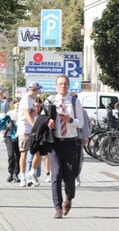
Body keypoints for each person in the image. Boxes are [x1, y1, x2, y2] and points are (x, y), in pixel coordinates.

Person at [47, 75, 83, 218]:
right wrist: (48, 122)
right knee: (55, 175)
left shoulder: (75, 102)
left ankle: (68, 199)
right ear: (56, 86)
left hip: (70, 142)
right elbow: (44, 118)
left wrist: (70, 120)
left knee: (69, 177)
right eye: (60, 84)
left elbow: (81, 123)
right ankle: (57, 208)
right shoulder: (50, 100)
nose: (63, 86)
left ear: (69, 86)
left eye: (65, 84)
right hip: (55, 143)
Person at [18, 81, 41, 187]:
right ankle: (22, 176)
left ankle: (32, 172)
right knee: (24, 153)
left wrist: (37, 110)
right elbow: (27, 115)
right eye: (38, 89)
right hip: (25, 129)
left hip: (32, 129)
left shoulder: (34, 100)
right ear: (34, 90)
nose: (39, 91)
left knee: (38, 151)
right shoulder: (26, 99)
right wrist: (34, 126)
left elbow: (33, 114)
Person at [27, 99, 52, 187]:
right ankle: (29, 176)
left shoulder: (44, 114)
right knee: (31, 157)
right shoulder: (30, 113)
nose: (37, 108)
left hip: (41, 137)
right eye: (35, 106)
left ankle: (45, 174)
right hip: (31, 136)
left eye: (38, 106)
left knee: (44, 155)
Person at [0, 98, 21, 182]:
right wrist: (8, 125)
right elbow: (2, 125)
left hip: (19, 136)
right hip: (9, 136)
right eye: (16, 103)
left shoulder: (23, 113)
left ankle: (16, 174)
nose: (18, 105)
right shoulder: (9, 113)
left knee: (18, 155)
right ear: (13, 104)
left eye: (19, 103)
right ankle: (10, 172)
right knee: (11, 155)